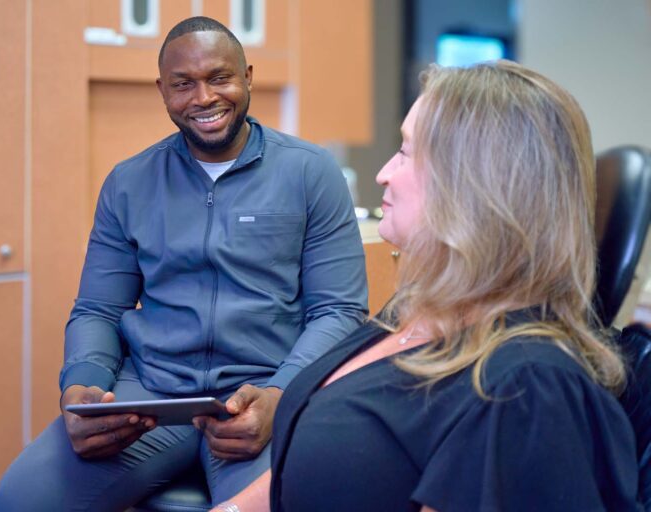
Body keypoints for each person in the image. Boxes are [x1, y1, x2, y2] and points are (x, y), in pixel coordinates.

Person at [215, 60, 640, 511]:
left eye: (405, 151)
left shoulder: (525, 390)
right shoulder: (413, 311)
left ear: (474, 184)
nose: (383, 173)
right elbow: (302, 475)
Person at [0, 16, 368, 511]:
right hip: (150, 397)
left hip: (258, 395)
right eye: (182, 84)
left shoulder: (309, 172)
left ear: (248, 76)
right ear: (162, 90)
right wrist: (82, 389)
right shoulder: (129, 182)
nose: (203, 98)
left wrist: (281, 396)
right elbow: (98, 311)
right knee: (20, 501)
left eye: (219, 78)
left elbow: (338, 311)